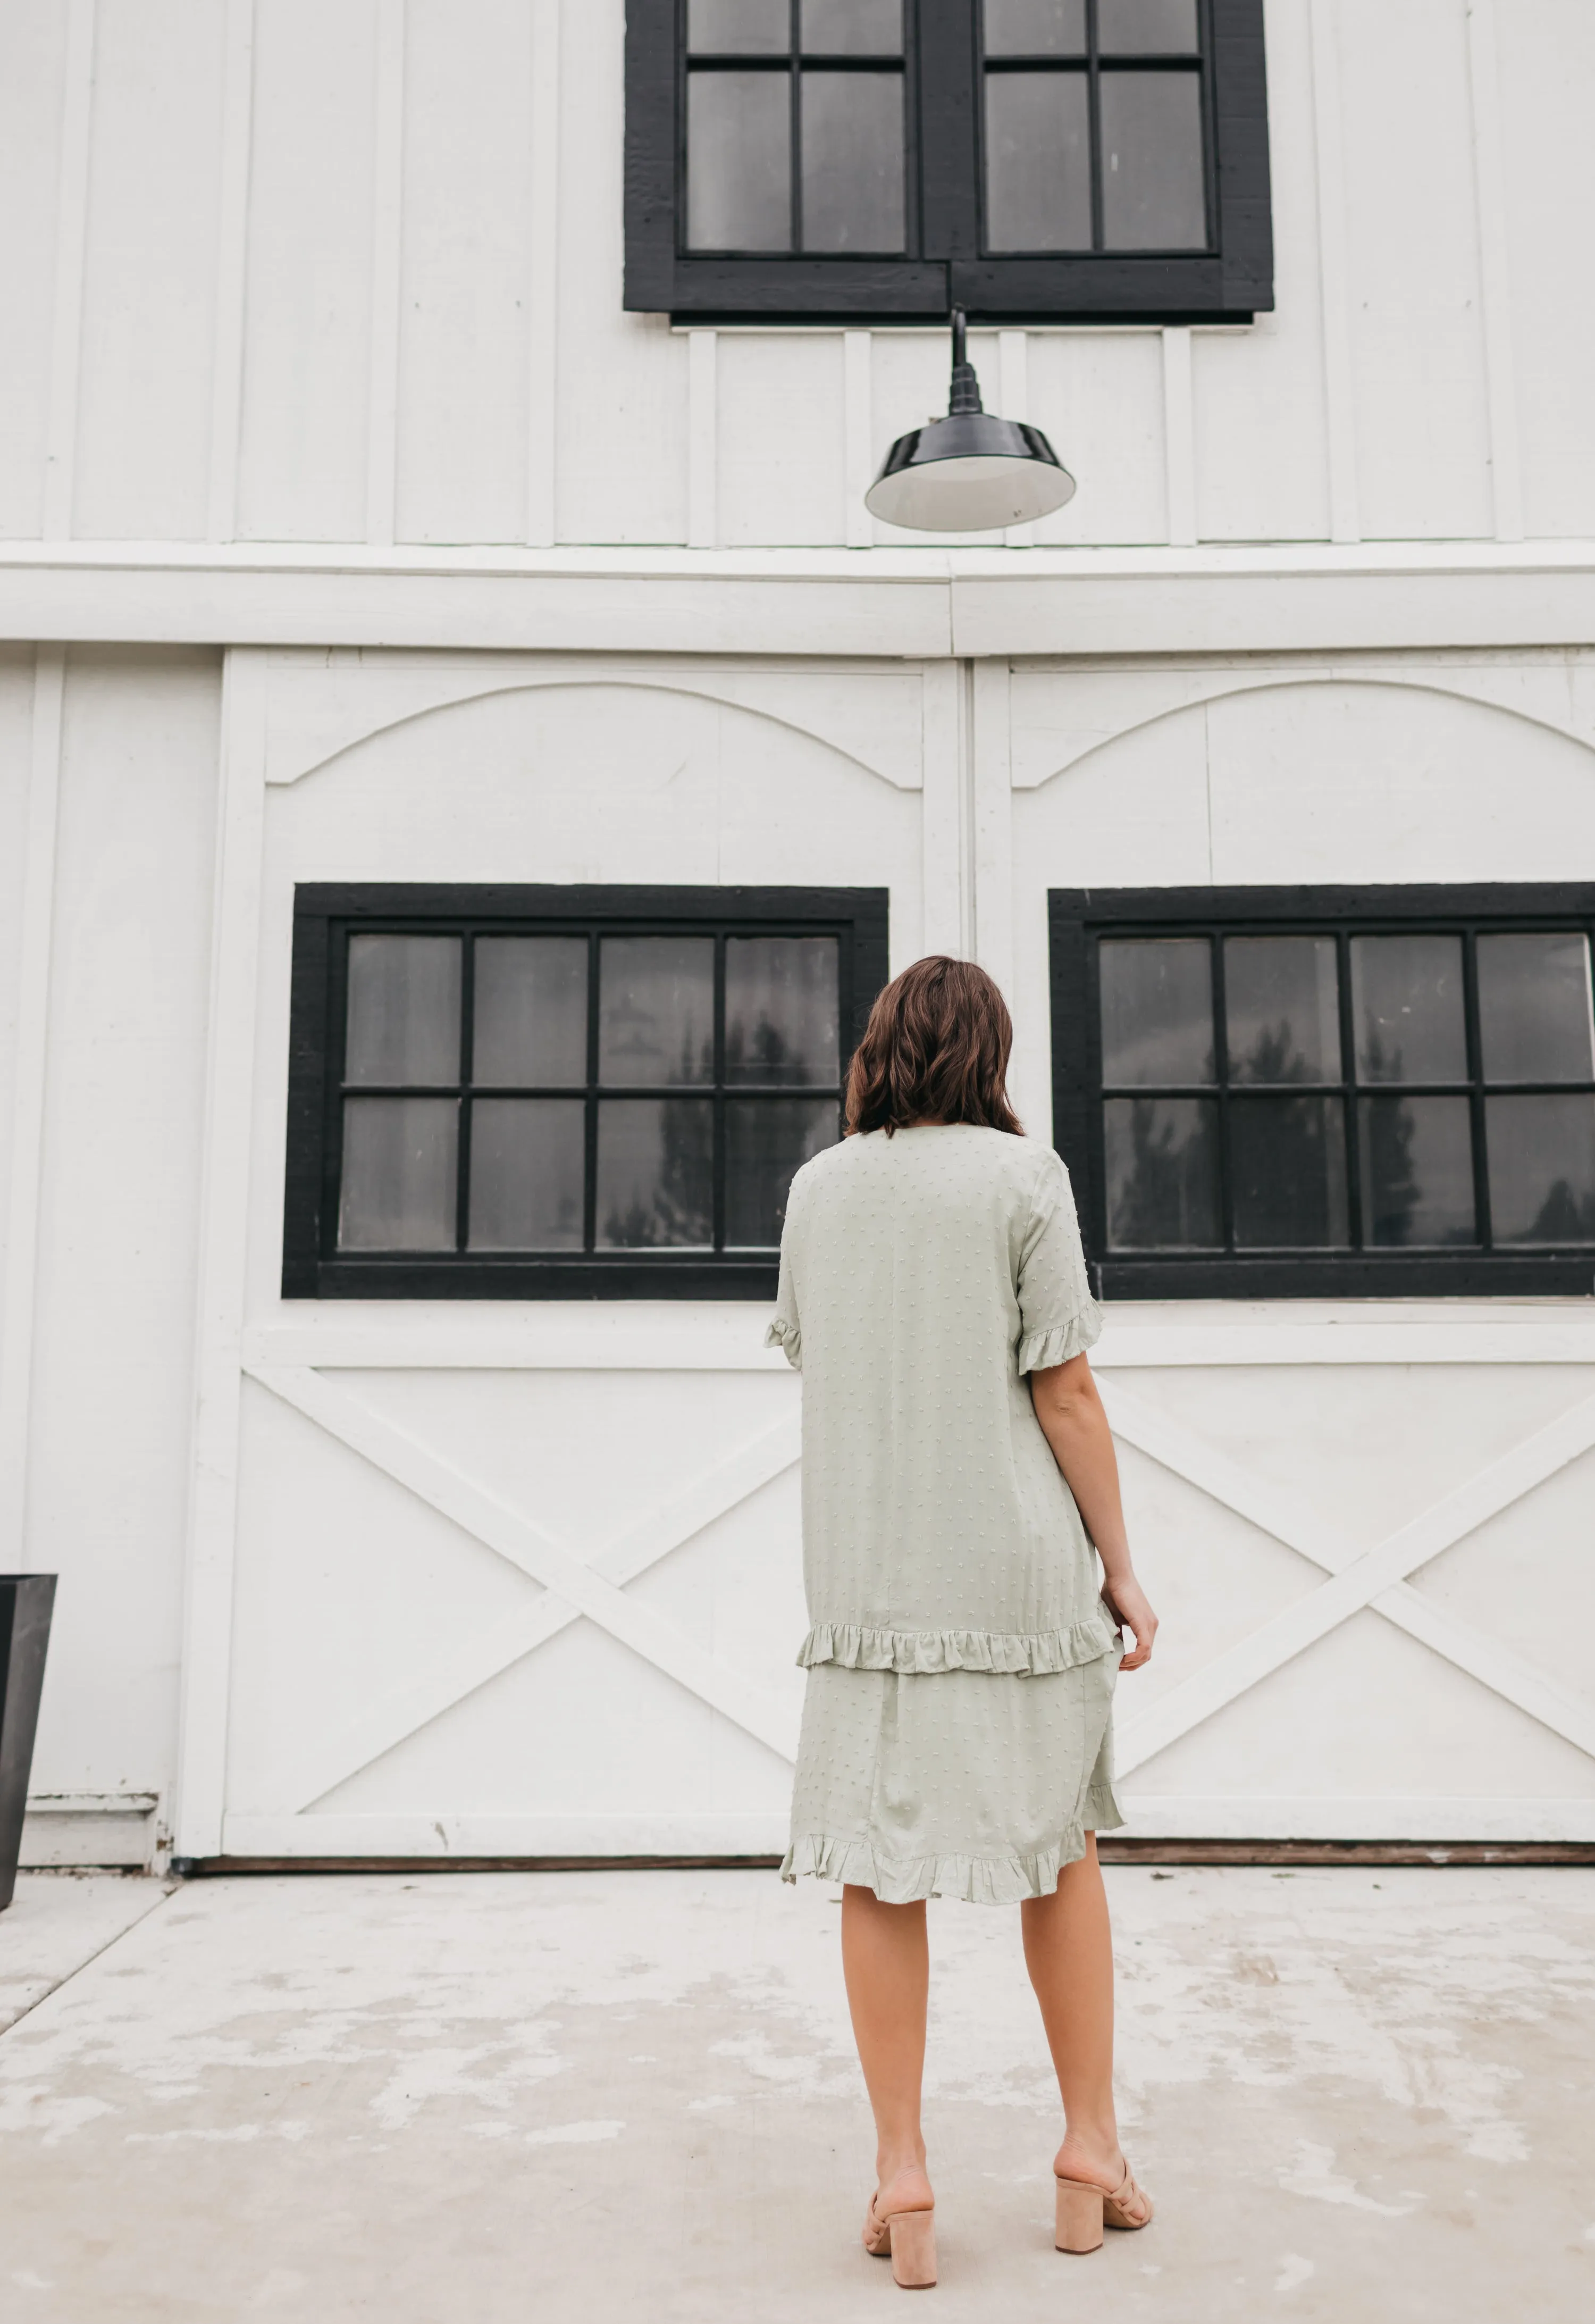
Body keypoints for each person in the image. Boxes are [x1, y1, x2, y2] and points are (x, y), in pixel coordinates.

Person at [766, 955, 1159, 2289]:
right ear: (993, 1054)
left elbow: (830, 1361)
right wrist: (1122, 1565)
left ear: (880, 1048)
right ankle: (1089, 2151)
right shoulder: (1020, 1178)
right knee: (1062, 1849)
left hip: (872, 1583)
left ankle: (901, 2172)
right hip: (1016, 1578)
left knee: (882, 1868)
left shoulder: (820, 1189)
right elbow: (1067, 1395)